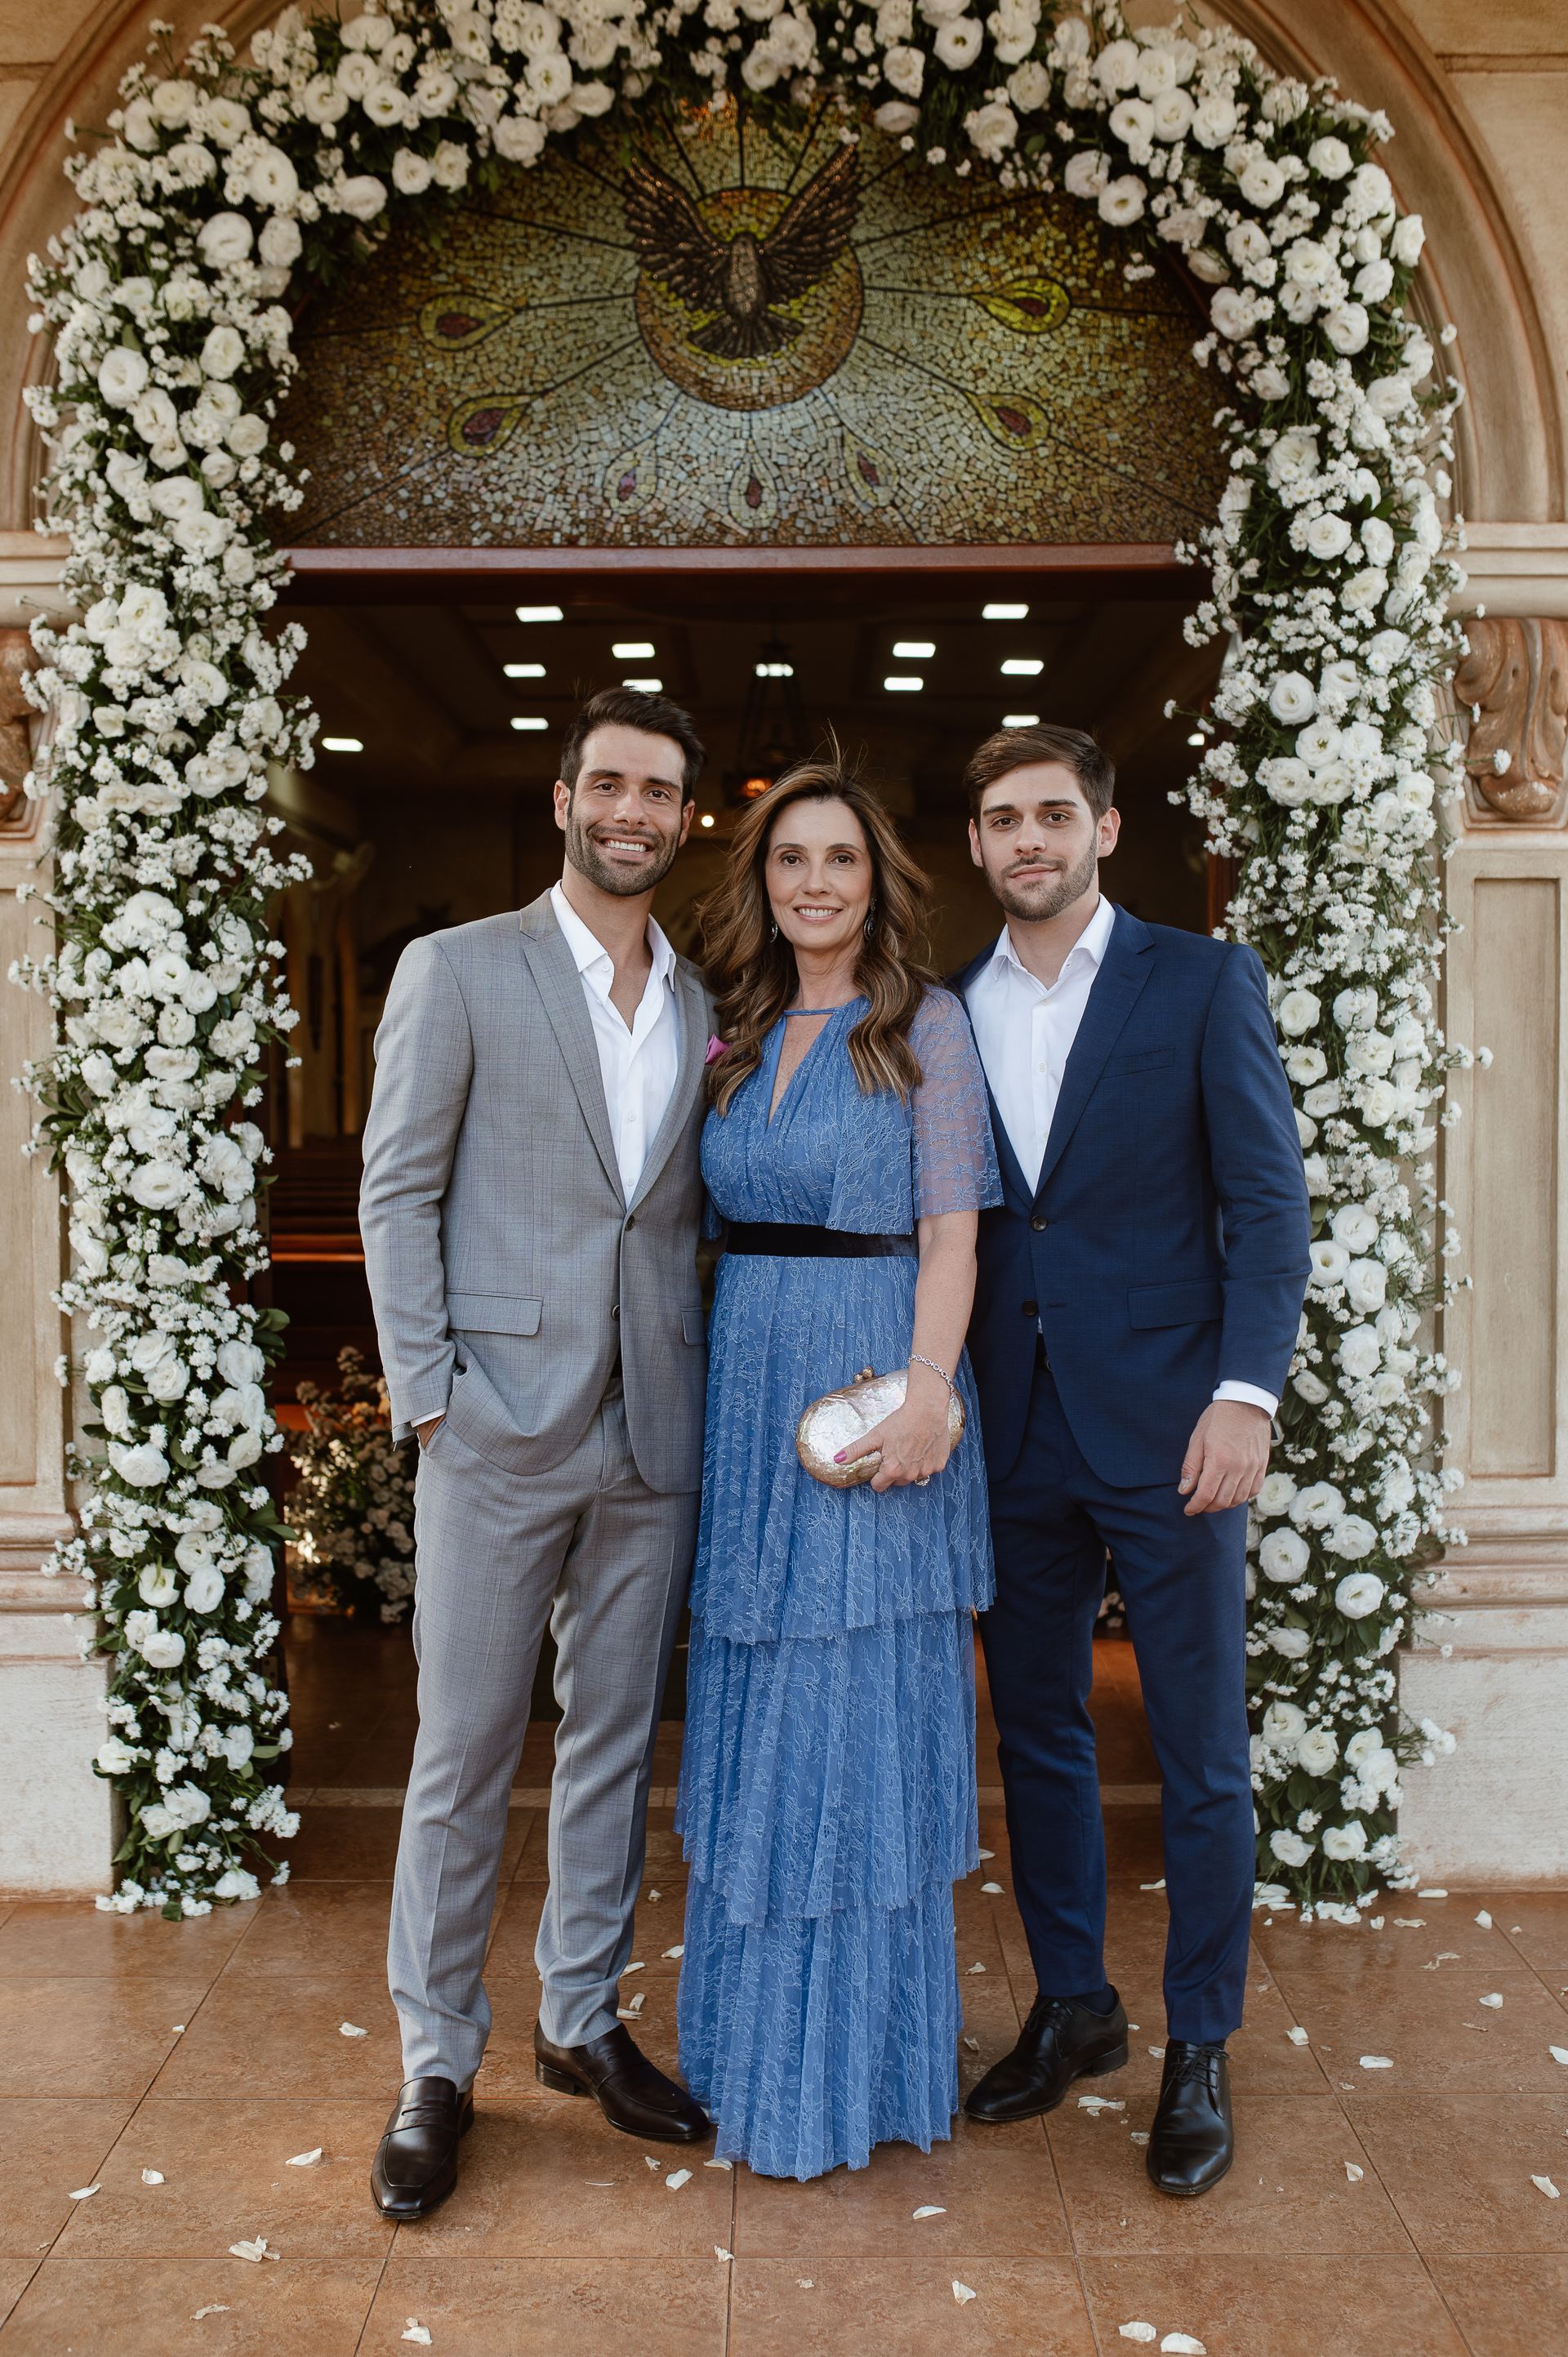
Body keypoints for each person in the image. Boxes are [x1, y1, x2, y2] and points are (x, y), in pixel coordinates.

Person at [359, 687, 717, 2221]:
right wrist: (433, 1396)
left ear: (686, 819)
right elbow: (397, 1191)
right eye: (613, 785)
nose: (635, 812)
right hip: (496, 1426)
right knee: (461, 1755)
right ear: (565, 794)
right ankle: (436, 2058)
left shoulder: (702, 1000)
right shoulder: (459, 968)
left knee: (613, 1747)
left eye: (663, 794)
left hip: (650, 1433)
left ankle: (580, 2018)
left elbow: (671, 1216)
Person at [951, 724, 1311, 2199]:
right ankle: (1076, 2004)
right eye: (1000, 820)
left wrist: (1245, 1394)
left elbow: (1268, 1207)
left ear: (1106, 826)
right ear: (974, 845)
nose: (1027, 838)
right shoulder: (945, 1007)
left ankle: (1202, 2043)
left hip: (1178, 1432)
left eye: (1052, 813)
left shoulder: (1202, 978)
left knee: (1201, 1752)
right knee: (1035, 1736)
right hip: (1014, 1428)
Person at [675, 755, 1002, 2180]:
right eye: (791, 859)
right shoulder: (733, 1027)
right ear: (761, 879)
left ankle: (856, 2068)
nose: (815, 883)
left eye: (842, 861)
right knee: (760, 1701)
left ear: (881, 882)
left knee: (855, 1707)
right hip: (749, 1387)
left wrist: (933, 1389)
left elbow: (954, 1233)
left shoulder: (925, 1023)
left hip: (875, 1375)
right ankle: (755, 2052)